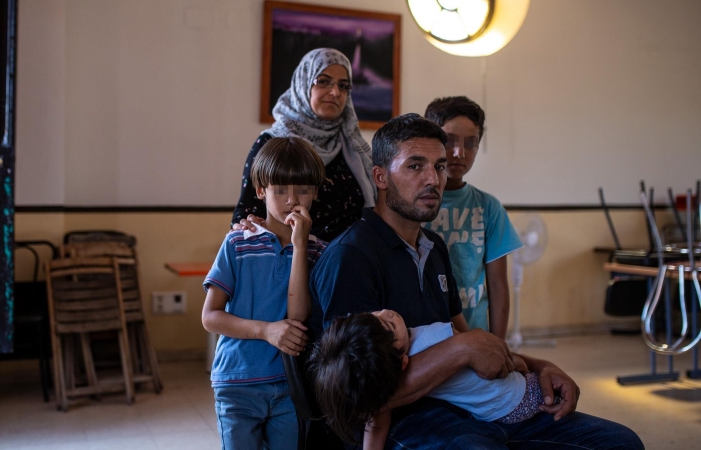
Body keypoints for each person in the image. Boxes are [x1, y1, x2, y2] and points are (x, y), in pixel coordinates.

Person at [309, 113, 644, 449]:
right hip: (404, 418)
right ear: (380, 176)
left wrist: (540, 366)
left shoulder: (433, 246)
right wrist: (459, 350)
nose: (432, 179)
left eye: (439, 167)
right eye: (415, 166)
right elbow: (354, 394)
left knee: (620, 442)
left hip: (472, 404)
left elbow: (468, 337)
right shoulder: (351, 257)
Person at [202, 137, 329, 449]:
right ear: (261, 191)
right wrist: (266, 330)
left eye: (302, 189)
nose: (292, 199)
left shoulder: (318, 251)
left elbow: (298, 316)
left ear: (314, 191)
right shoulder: (237, 244)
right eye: (280, 189)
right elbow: (210, 316)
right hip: (236, 383)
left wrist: (300, 245)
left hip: (290, 385)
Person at [310, 310, 545, 449]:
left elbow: (377, 419)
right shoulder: (437, 334)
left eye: (375, 314)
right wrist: (523, 367)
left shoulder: (380, 370)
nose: (387, 312)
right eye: (390, 325)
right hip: (518, 403)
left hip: (505, 404)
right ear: (403, 363)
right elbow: (493, 357)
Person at [233, 48, 375, 242]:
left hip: (353, 261)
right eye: (323, 81)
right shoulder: (273, 143)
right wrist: (246, 223)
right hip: (295, 261)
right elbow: (246, 212)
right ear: (303, 83)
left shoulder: (354, 147)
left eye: (343, 86)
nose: (335, 92)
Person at [423, 96, 522, 337]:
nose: (459, 152)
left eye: (470, 144)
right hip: (426, 337)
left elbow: (498, 286)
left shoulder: (488, 207)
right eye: (449, 141)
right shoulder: (414, 203)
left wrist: (498, 346)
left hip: (477, 334)